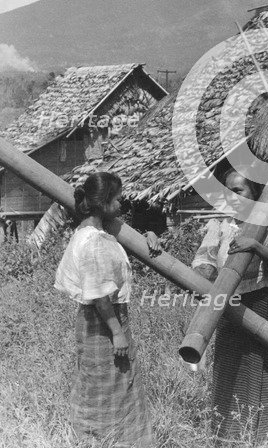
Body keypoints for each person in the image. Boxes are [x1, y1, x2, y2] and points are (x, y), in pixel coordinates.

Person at [191, 168, 268, 445]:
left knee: (262, 360)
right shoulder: (223, 221)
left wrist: (254, 245)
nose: (232, 196)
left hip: (262, 299)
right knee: (229, 360)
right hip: (228, 300)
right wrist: (201, 277)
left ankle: (267, 432)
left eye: (238, 191)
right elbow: (206, 257)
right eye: (228, 191)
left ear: (255, 191)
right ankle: (229, 432)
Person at [54, 172, 161, 448]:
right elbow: (101, 296)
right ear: (102, 203)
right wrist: (117, 333)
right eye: (117, 199)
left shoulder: (96, 233)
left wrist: (147, 234)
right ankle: (105, 440)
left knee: (108, 381)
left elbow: (120, 240)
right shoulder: (93, 243)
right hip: (105, 320)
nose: (121, 204)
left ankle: (114, 439)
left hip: (100, 320)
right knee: (107, 382)